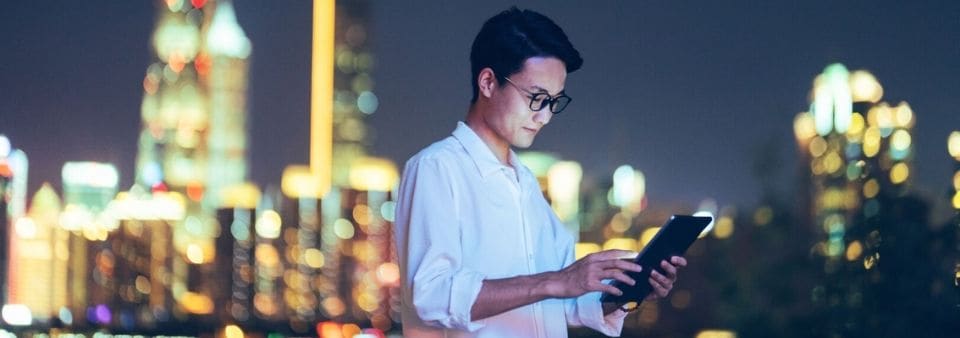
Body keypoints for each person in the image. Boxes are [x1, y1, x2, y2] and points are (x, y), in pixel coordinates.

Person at [393, 7, 687, 338]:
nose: (545, 116)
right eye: (537, 98)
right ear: (488, 82)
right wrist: (556, 282)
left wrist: (629, 292)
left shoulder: (526, 184)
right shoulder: (437, 168)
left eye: (554, 102)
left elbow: (565, 302)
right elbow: (432, 297)